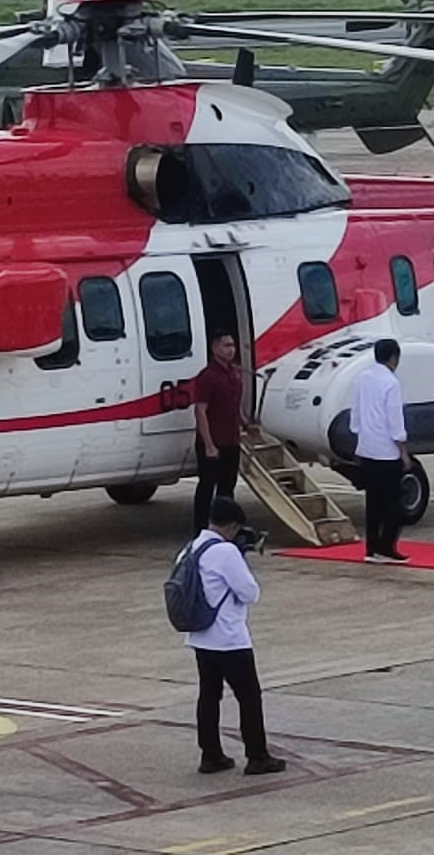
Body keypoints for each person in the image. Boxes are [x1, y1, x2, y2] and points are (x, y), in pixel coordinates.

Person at [186, 496, 286, 777]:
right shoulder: (226, 553)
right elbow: (250, 592)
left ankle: (211, 755)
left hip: (201, 636)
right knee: (249, 697)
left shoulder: (192, 547)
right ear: (231, 526)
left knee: (209, 696)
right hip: (229, 638)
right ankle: (257, 756)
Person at [351, 338, 412, 564]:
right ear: (393, 358)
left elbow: (355, 413)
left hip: (367, 447)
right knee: (393, 502)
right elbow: (395, 420)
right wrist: (403, 450)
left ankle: (372, 547)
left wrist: (358, 438)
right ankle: (387, 546)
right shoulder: (391, 383)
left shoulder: (362, 378)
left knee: (373, 501)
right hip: (386, 450)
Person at [192, 333, 246, 536]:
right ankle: (200, 529)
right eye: (226, 345)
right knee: (207, 487)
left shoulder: (235, 374)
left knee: (227, 487)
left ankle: (225, 528)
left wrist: (243, 423)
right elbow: (200, 410)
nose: (230, 350)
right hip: (214, 441)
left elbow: (233, 405)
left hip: (231, 439)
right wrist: (208, 444)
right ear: (215, 348)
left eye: (232, 345)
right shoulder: (208, 376)